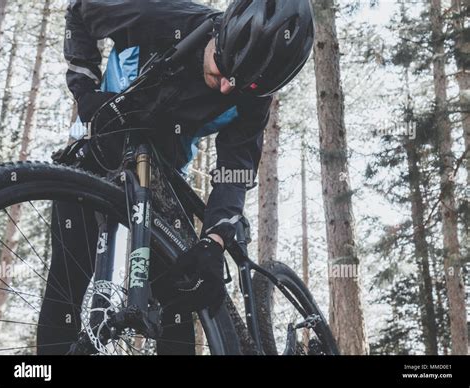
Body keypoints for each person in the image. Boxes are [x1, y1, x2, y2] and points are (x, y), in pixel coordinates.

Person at [37, 0, 315, 355]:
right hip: (99, 141)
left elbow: (236, 167)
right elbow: (79, 12)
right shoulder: (158, 16)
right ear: (220, 36)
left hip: (163, 174)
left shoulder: (255, 94)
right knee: (68, 276)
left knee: (176, 297)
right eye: (225, 69)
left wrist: (214, 240)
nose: (228, 89)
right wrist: (86, 92)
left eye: (241, 85)